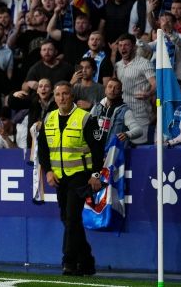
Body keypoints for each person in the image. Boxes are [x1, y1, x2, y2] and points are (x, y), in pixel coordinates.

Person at [36, 81, 104, 276]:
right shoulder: (49, 118)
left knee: (72, 218)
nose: (61, 98)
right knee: (67, 219)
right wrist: (48, 171)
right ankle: (87, 261)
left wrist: (95, 174)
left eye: (65, 94)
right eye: (58, 95)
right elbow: (43, 149)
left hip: (80, 176)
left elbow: (98, 150)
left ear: (72, 96)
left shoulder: (86, 119)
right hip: (59, 177)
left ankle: (69, 262)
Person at [113, 33, 155, 145]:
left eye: (126, 45)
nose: (123, 48)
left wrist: (148, 93)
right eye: (120, 45)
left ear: (134, 47)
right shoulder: (118, 65)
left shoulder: (145, 63)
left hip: (140, 114)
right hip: (122, 115)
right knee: (121, 150)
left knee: (138, 149)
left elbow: (155, 84)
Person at [89, 78, 145, 144]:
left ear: (121, 93)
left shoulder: (125, 111)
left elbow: (139, 130)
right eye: (110, 87)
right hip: (96, 150)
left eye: (116, 88)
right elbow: (88, 128)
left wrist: (127, 134)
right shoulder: (96, 107)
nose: (112, 90)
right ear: (105, 90)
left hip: (113, 152)